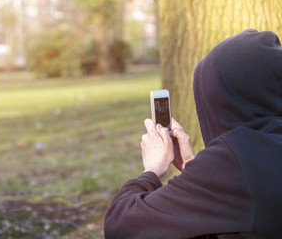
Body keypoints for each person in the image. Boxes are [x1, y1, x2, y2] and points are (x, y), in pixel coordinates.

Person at [104, 29, 282, 239]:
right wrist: (195, 170)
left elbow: (121, 227)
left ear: (221, 99)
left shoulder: (239, 157)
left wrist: (152, 170)